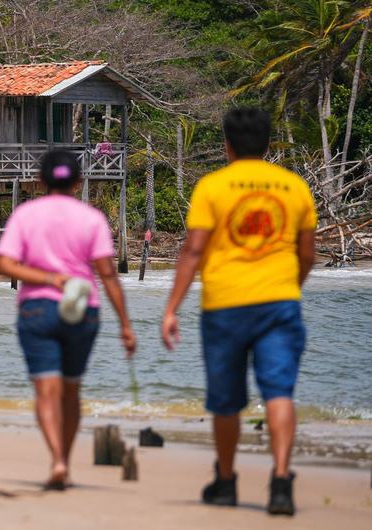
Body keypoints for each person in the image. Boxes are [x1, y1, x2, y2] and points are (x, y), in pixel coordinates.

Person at [161, 107, 316, 516]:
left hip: (224, 306)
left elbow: (193, 250)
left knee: (226, 401)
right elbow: (307, 255)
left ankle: (226, 482)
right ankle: (281, 482)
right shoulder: (294, 187)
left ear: (226, 144)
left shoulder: (213, 187)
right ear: (268, 143)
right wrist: (289, 288)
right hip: (280, 305)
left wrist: (171, 309)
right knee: (280, 393)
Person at [0, 149, 136, 490]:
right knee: (71, 390)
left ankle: (57, 461)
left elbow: (5, 264)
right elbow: (108, 275)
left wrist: (45, 279)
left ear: (41, 180)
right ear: (78, 180)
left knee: (46, 392)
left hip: (37, 308)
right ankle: (65, 461)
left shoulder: (26, 214)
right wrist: (126, 325)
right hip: (83, 309)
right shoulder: (92, 218)